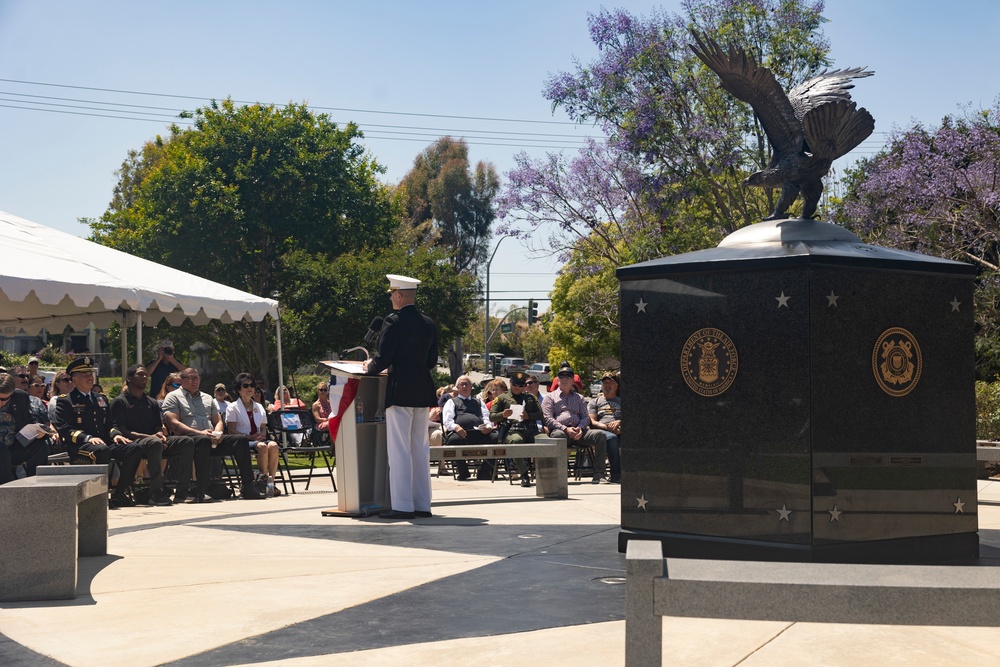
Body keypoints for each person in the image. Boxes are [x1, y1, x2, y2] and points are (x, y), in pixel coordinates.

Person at [363, 274, 438, 519]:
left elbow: (382, 357)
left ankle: (403, 506)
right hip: (422, 390)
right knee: (420, 448)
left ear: (398, 295)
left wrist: (369, 368)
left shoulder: (393, 321)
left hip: (400, 390)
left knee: (399, 450)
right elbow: (431, 361)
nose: (391, 299)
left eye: (392, 295)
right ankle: (422, 504)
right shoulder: (428, 322)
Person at [53, 356, 146, 507]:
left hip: (104, 442)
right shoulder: (66, 400)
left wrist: (116, 435)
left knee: (134, 448)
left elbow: (110, 423)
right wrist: (87, 438)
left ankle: (118, 494)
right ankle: (98, 496)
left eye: (90, 374)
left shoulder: (100, 398)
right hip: (79, 445)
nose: (89, 377)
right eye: (84, 375)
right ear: (74, 380)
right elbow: (64, 429)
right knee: (101, 450)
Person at [162, 366, 263, 500]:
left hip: (212, 438)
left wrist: (218, 432)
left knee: (241, 440)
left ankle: (248, 486)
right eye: (191, 378)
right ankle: (201, 489)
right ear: (182, 380)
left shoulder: (207, 398)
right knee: (203, 441)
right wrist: (200, 432)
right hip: (189, 439)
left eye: (197, 378)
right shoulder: (173, 397)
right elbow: (173, 423)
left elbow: (218, 420)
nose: (195, 381)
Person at [110, 364, 198, 506]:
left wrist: (159, 434)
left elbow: (158, 426)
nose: (145, 377)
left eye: (146, 374)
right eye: (140, 374)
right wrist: (149, 437)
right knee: (154, 443)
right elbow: (122, 430)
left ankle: (182, 491)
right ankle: (156, 492)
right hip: (134, 442)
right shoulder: (120, 402)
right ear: (129, 378)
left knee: (186, 442)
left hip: (154, 440)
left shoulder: (151, 402)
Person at [542, 365, 609, 484]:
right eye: (561, 376)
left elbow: (585, 416)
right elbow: (547, 418)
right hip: (561, 432)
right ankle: (560, 475)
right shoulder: (550, 398)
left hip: (579, 433)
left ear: (573, 380)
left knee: (600, 435)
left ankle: (599, 473)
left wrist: (580, 428)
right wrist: (565, 429)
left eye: (568, 376)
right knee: (558, 436)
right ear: (557, 379)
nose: (564, 379)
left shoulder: (579, 398)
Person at [226, 372, 279, 495]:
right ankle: (261, 482)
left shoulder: (259, 407)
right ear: (239, 389)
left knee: (274, 445)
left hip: (258, 438)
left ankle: (270, 482)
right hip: (243, 440)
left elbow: (263, 427)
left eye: (252, 385)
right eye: (245, 386)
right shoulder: (233, 407)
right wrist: (249, 437)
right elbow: (231, 430)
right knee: (262, 447)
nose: (249, 388)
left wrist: (262, 435)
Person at [490, 371, 542, 487]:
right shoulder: (502, 398)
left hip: (530, 430)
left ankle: (548, 474)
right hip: (512, 430)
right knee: (516, 441)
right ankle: (524, 475)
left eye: (521, 386)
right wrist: (502, 414)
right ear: (510, 383)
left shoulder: (530, 397)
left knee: (547, 440)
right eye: (515, 385)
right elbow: (492, 416)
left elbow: (541, 415)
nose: (518, 388)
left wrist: (529, 416)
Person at [442, 375, 498, 480]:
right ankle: (463, 472)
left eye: (466, 384)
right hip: (462, 434)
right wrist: (456, 427)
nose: (464, 386)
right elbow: (447, 421)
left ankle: (484, 471)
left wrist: (488, 427)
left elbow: (487, 417)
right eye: (461, 384)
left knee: (495, 438)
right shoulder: (452, 402)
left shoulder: (478, 402)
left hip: (479, 433)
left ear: (471, 386)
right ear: (457, 387)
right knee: (453, 441)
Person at [0, 372, 49, 485]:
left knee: (40, 445)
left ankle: (37, 484)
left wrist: (38, 431)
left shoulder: (21, 398)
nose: (0, 402)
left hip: (13, 444)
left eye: (4, 399)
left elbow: (28, 420)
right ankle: (7, 488)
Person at [589, 371, 622, 484]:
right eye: (605, 383)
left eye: (610, 383)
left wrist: (619, 422)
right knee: (612, 439)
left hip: (620, 429)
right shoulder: (595, 401)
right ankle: (616, 475)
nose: (607, 385)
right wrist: (607, 427)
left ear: (616, 385)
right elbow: (592, 421)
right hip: (602, 431)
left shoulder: (622, 401)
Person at [311, 381, 332, 447]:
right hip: (320, 424)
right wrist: (327, 419)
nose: (323, 391)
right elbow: (317, 419)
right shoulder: (316, 405)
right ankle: (333, 446)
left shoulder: (331, 403)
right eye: (321, 390)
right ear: (318, 391)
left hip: (331, 422)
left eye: (325, 390)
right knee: (332, 425)